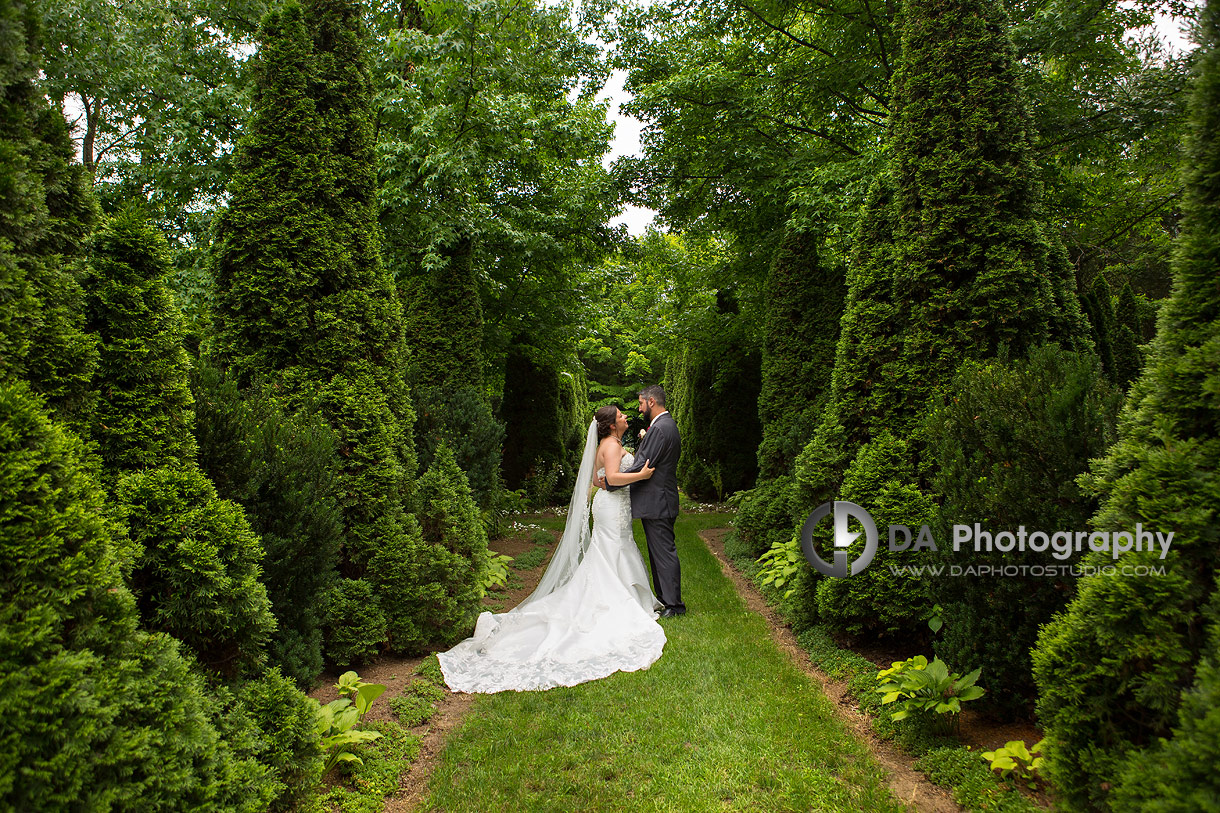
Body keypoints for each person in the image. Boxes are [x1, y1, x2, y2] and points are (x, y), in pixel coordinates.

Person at [437, 405, 666, 693]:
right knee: (610, 551)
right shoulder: (610, 445)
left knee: (616, 549)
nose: (625, 418)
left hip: (615, 507)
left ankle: (625, 594)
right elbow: (610, 480)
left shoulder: (612, 443)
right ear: (610, 425)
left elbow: (597, 480)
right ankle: (617, 599)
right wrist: (640, 477)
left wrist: (621, 479)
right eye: (620, 415)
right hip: (611, 508)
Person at [596, 385, 684, 617]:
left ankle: (674, 605)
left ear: (651, 402)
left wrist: (612, 481)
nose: (638, 408)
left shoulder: (660, 429)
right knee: (659, 553)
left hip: (658, 502)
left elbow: (643, 465)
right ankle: (666, 599)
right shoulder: (664, 426)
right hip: (658, 500)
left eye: (641, 404)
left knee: (663, 553)